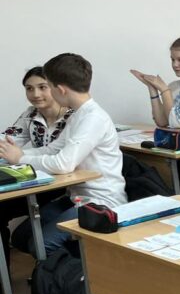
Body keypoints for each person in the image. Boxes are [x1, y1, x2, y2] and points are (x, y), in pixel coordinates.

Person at [0, 54, 126, 255]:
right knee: (21, 238)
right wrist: (15, 154)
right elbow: (52, 149)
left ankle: (73, 270)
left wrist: (20, 158)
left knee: (40, 245)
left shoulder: (93, 118)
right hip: (76, 196)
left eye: (47, 86)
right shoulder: (79, 114)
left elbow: (63, 164)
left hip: (100, 202)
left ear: (60, 89)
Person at [1, 67, 75, 255]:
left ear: (56, 88)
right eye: (29, 88)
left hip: (64, 183)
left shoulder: (74, 116)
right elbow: (7, 140)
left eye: (43, 87)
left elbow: (60, 156)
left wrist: (19, 155)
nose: (35, 94)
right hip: (38, 179)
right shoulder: (30, 114)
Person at [131, 33, 180, 128]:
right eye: (173, 60)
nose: (175, 64)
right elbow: (162, 122)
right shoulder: (174, 86)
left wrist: (164, 90)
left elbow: (176, 122)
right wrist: (152, 88)